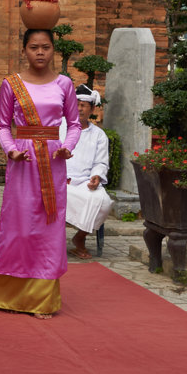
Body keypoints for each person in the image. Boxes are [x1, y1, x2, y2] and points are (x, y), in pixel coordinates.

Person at [0, 29, 80, 318]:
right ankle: (4, 292)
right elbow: (1, 125)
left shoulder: (65, 84)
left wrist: (68, 147)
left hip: (53, 159)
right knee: (18, 224)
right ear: (24, 50)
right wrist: (11, 150)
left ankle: (42, 297)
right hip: (22, 161)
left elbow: (74, 124)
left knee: (49, 226)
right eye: (34, 47)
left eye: (46, 47)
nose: (40, 52)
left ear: (53, 50)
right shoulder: (12, 83)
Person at [63, 84, 113, 259]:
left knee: (104, 202)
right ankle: (51, 242)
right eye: (76, 104)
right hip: (60, 180)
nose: (79, 108)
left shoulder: (99, 135)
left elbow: (101, 162)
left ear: (92, 109)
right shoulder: (59, 128)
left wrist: (96, 177)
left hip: (84, 182)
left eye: (84, 105)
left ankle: (80, 237)